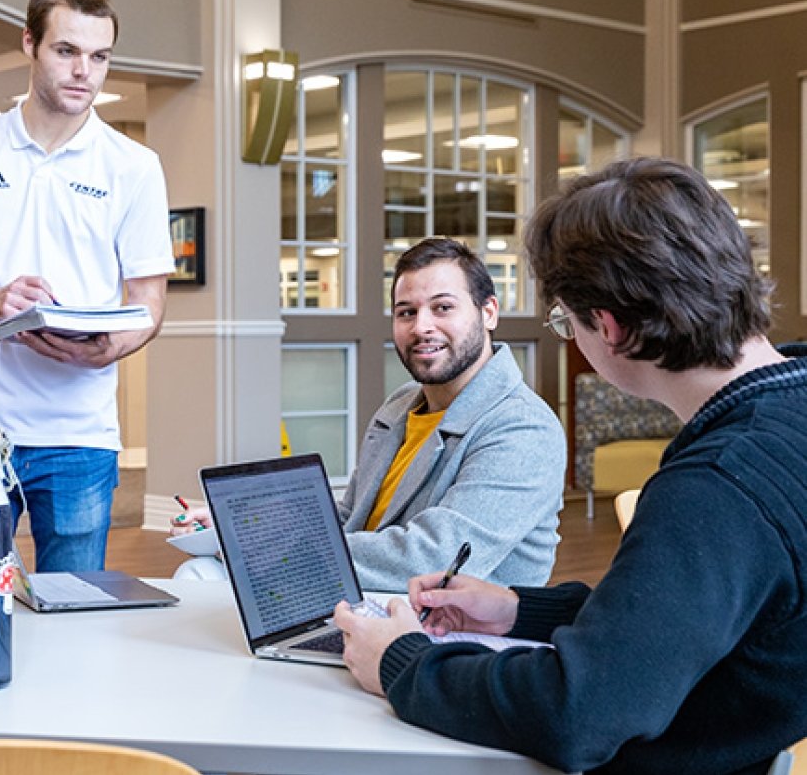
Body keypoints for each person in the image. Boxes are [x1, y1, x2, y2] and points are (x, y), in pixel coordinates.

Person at [335, 157, 807, 775]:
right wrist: (521, 609)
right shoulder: (784, 418)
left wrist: (402, 661)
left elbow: (576, 714)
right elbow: (669, 626)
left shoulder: (714, 488)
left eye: (565, 322)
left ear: (607, 327)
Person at [0, 0, 173, 572]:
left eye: (99, 57)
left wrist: (108, 348)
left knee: (73, 607)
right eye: (66, 51)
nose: (84, 72)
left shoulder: (135, 166)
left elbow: (149, 301)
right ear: (30, 43)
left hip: (80, 437)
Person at [173, 237, 564, 591]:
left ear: (489, 312)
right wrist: (242, 526)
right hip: (364, 599)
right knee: (201, 573)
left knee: (209, 585)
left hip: (439, 624)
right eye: (406, 312)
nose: (421, 327)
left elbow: (433, 559)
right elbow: (349, 517)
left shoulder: (523, 429)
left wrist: (262, 547)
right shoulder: (401, 405)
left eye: (443, 308)